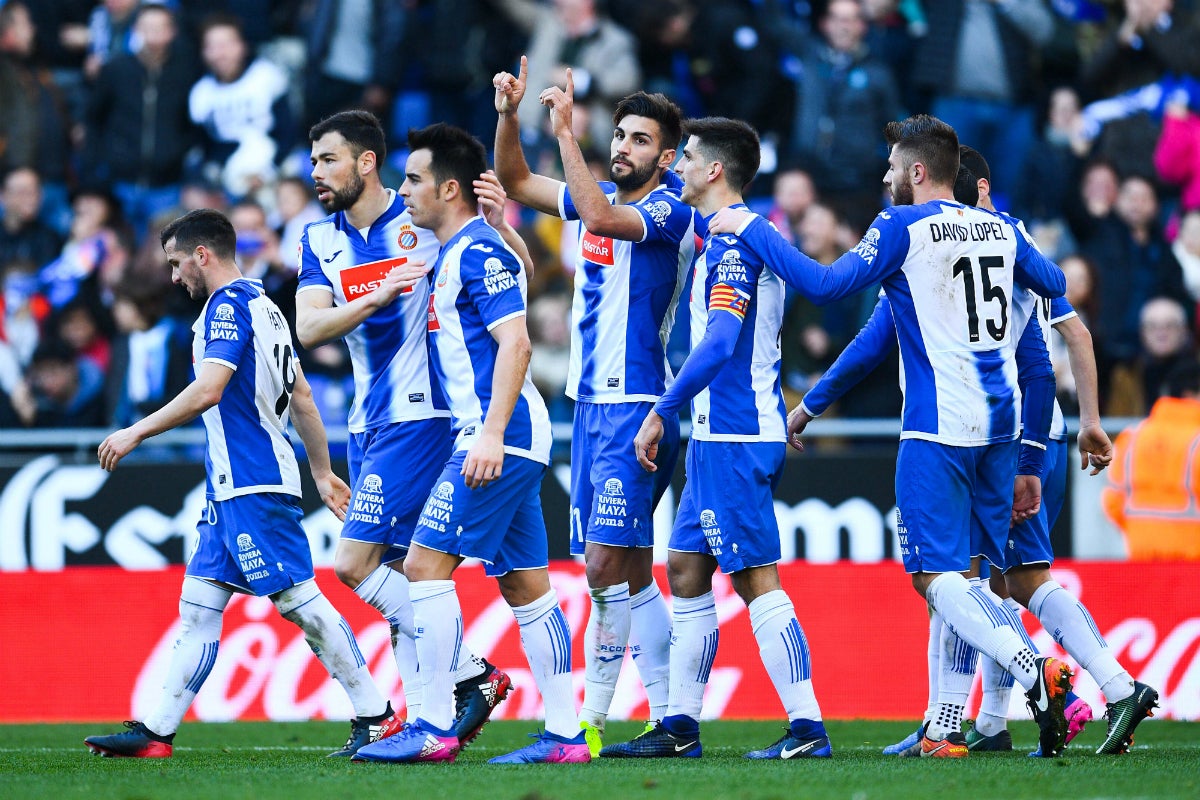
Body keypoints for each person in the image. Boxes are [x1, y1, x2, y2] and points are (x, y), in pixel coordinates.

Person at [707, 114, 1076, 758]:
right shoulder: (999, 227)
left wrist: (755, 229)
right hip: (1002, 428)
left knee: (934, 579)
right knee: (964, 577)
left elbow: (824, 287)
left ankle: (1033, 669)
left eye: (890, 169)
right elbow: (1054, 283)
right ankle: (944, 728)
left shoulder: (903, 226)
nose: (883, 179)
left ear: (916, 171)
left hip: (938, 429)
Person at [802, 146, 1156, 758]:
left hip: (1005, 435)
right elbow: (1066, 318)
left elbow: (1040, 364)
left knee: (994, 579)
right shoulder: (1006, 241)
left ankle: (1090, 684)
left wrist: (1032, 458)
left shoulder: (942, 242)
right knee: (986, 582)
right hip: (1016, 431)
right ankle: (976, 724)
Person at [83, 209, 401, 758]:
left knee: (301, 602)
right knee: (199, 609)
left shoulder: (227, 307)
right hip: (230, 487)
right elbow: (300, 396)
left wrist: (135, 431)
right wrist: (322, 472)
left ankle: (375, 714)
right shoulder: (265, 307)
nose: (176, 276)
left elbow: (209, 389)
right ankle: (157, 731)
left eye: (178, 263)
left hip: (253, 482)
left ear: (203, 255)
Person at [354, 123, 590, 765]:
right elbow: (519, 276)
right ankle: (567, 737)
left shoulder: (475, 253)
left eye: (411, 179)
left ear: (447, 188)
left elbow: (517, 343)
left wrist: (488, 432)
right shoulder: (466, 248)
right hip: (503, 435)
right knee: (525, 587)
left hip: (498, 438)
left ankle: (431, 725)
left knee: (424, 567)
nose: (402, 191)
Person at [598, 116, 830, 761]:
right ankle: (680, 725)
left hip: (735, 434)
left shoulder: (734, 246)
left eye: (689, 156)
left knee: (757, 577)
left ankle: (807, 726)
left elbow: (721, 344)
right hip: (714, 438)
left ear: (715, 171)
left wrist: (662, 408)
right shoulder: (722, 233)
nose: (678, 166)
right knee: (687, 571)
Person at [295, 110, 513, 749]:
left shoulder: (420, 217)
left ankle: (467, 674)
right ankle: (425, 717)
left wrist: (503, 226)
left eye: (328, 160)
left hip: (426, 417)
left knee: (353, 564)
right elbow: (309, 329)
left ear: (367, 162)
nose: (317, 174)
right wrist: (374, 298)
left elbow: (500, 267)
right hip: (366, 423)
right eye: (312, 163)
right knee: (400, 569)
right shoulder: (319, 240)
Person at [493, 57, 691, 753]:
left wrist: (567, 134)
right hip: (592, 406)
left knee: (604, 568)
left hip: (639, 405)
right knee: (630, 575)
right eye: (620, 135)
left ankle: (587, 728)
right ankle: (670, 723)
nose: (624, 147)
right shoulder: (596, 192)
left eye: (639, 139)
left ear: (667, 156)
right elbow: (517, 181)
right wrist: (509, 116)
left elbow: (602, 213)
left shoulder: (669, 208)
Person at [1103, 359, 1200, 560]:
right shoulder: (1196, 441)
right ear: (1190, 395)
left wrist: (1144, 531)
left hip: (1142, 561)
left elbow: (1113, 502)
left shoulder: (1132, 436)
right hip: (1193, 564)